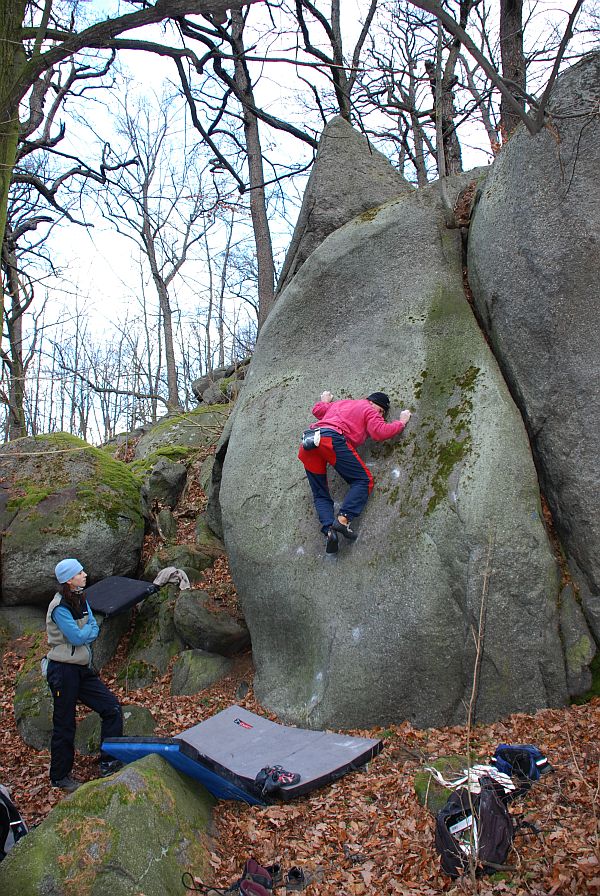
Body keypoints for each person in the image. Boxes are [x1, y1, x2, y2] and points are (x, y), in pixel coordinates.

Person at [298, 391, 411, 553]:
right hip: (331, 439)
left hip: (308, 444)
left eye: (382, 414)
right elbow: (379, 431)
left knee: (320, 494)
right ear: (372, 402)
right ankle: (343, 520)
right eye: (380, 411)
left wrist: (324, 400)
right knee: (363, 481)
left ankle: (329, 531)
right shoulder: (368, 409)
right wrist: (401, 422)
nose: (379, 415)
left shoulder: (341, 404)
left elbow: (317, 410)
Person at [45, 559, 123, 791]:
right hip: (62, 670)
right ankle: (60, 776)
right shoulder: (59, 607)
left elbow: (93, 629)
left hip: (81, 669)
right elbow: (79, 637)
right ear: (69, 579)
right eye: (80, 573)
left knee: (112, 708)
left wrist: (86, 631)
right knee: (65, 724)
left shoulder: (81, 597)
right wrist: (86, 631)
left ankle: (109, 761)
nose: (85, 575)